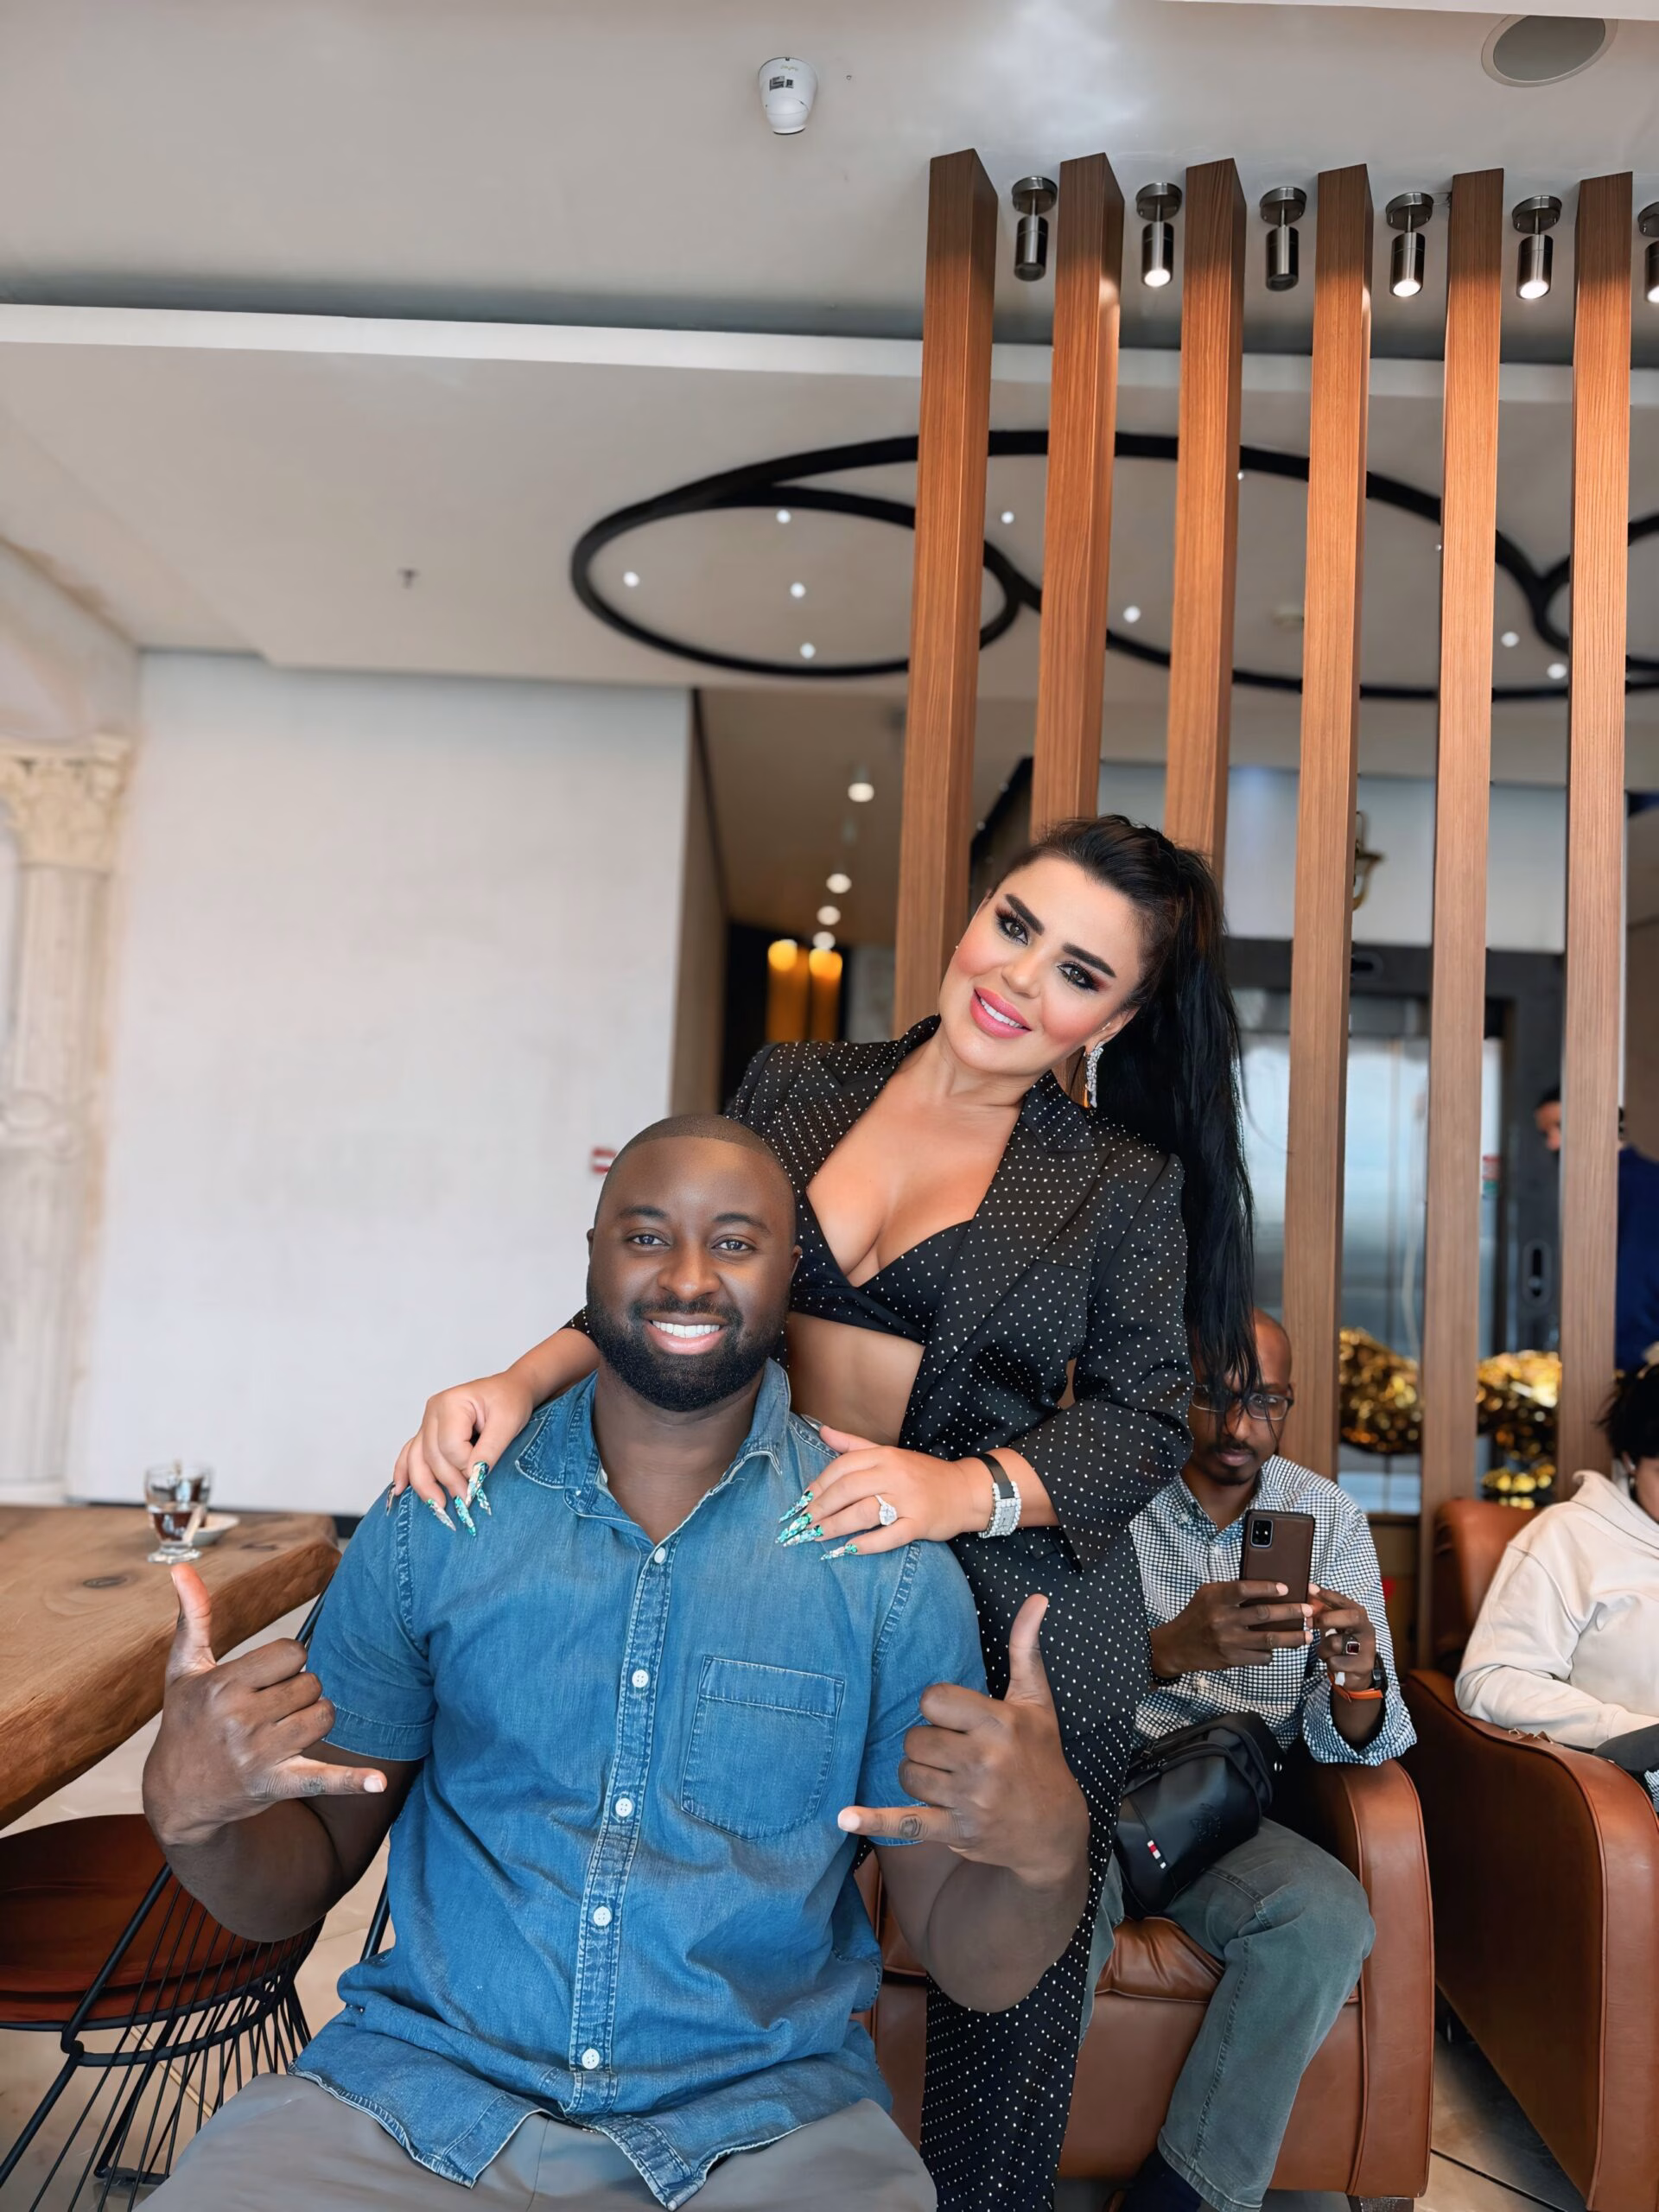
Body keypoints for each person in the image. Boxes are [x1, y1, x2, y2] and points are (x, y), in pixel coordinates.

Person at [389, 817, 1258, 2208]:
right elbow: (689, 1284)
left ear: (1125, 1012)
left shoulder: (1119, 1179)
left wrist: (957, 1488)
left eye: (1079, 973)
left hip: (1005, 1588)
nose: (1021, 980)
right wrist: (514, 1378)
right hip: (787, 1552)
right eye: (1017, 926)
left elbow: (1150, 1417)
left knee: (1002, 1986)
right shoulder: (797, 1081)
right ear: (979, 909)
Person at [141, 1118, 1090, 2212]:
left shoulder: (883, 1567)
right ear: (591, 1257)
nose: (688, 1277)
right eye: (648, 1236)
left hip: (762, 2132)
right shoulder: (438, 1522)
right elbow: (300, 1870)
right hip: (414, 2103)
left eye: (734, 1244)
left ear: (790, 1274)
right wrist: (190, 1812)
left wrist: (1044, 1852)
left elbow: (973, 1961)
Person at [1087, 1308, 1414, 2212]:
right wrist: (1166, 1649)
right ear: (1175, 1393)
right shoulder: (1111, 1494)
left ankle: (1185, 2196)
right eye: (1217, 1398)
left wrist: (1356, 1672)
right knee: (1054, 1909)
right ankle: (1005, 2165)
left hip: (1227, 1803)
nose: (1241, 1428)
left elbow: (1356, 1738)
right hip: (1092, 1775)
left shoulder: (1326, 1515)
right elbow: (1027, 1663)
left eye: (1269, 1403)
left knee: (1325, 1918)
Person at [1458, 1361, 1659, 1810]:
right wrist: (1627, 1731)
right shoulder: (1572, 1537)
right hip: (1627, 1795)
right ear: (1630, 1459)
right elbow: (1493, 1680)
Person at [1535, 1084, 1659, 1373]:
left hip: (1634, 1359)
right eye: (1546, 1133)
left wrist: (1612, 1358)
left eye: (1560, 1127)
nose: (1552, 1144)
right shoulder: (1620, 1181)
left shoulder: (1636, 1185)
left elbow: (1635, 1279)